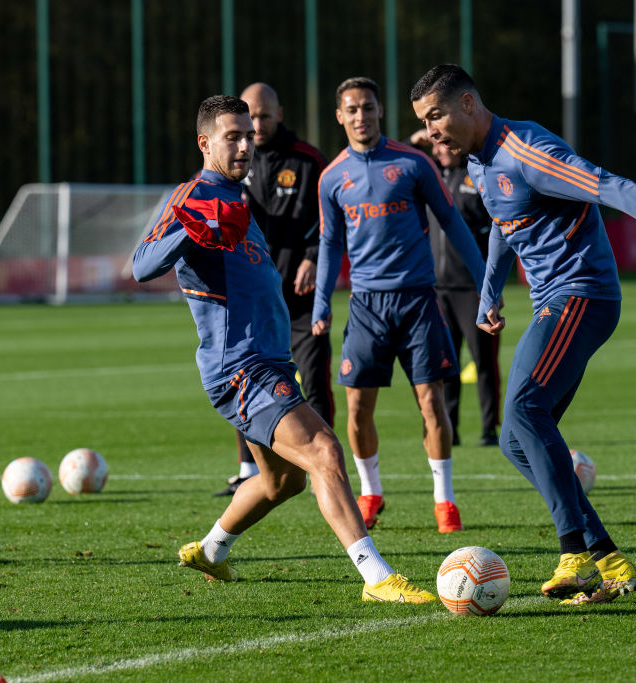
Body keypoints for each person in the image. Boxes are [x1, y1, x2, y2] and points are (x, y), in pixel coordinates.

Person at [410, 64, 636, 605]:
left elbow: (612, 187)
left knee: (524, 409)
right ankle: (608, 558)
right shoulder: (479, 162)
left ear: (467, 103)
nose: (431, 131)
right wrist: (490, 292)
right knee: (516, 440)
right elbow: (505, 225)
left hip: (583, 295)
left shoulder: (526, 150)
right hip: (552, 301)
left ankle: (573, 552)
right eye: (424, 121)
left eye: (436, 116)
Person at [133, 95, 435, 603]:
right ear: (205, 143)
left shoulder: (234, 197)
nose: (245, 146)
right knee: (325, 451)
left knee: (282, 483)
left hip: (269, 362)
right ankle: (377, 577)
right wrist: (192, 228)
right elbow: (142, 265)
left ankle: (210, 550)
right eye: (232, 136)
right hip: (240, 367)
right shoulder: (193, 196)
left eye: (249, 136)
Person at [312, 77, 485, 533]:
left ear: (380, 111)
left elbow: (451, 220)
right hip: (366, 307)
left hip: (418, 301)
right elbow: (330, 244)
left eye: (368, 107)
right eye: (352, 109)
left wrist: (486, 280)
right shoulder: (332, 177)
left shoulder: (413, 162)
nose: (361, 116)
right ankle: (371, 492)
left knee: (431, 402)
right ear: (340, 116)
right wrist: (321, 304)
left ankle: (445, 500)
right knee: (356, 409)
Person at [213, 82, 335, 497]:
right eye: (251, 117)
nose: (258, 125)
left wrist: (313, 256)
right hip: (253, 300)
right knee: (243, 381)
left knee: (314, 379)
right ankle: (248, 470)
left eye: (265, 116)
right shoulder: (231, 163)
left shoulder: (307, 160)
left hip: (300, 295)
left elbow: (330, 218)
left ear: (279, 114)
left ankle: (324, 468)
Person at [409, 130, 501, 448]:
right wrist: (414, 142)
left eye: (443, 144)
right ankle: (451, 430)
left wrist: (490, 285)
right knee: (446, 363)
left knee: (484, 361)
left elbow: (498, 232)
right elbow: (395, 164)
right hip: (437, 289)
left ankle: (489, 429)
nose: (438, 151)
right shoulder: (429, 175)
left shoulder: (478, 173)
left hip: (472, 289)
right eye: (434, 145)